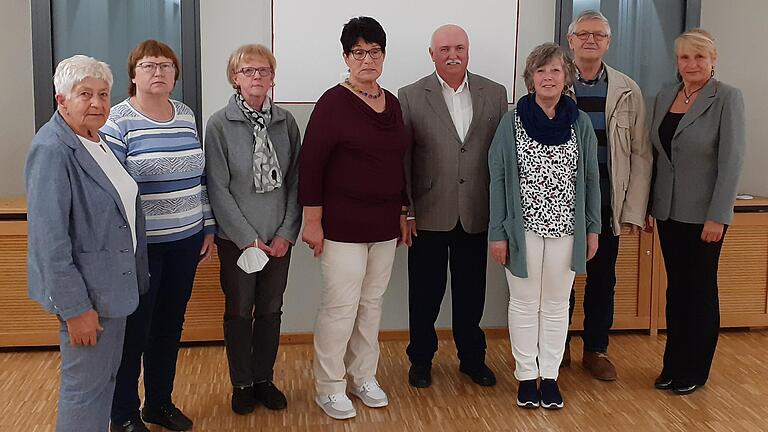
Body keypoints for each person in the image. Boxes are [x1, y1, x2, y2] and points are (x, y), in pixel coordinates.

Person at [25, 55, 149, 432]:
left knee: (104, 385)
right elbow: (50, 242)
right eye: (85, 94)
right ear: (62, 99)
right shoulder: (52, 149)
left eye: (103, 94)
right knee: (85, 390)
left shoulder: (97, 139)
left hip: (113, 289)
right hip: (88, 298)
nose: (97, 103)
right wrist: (76, 309)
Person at [298, 16, 409, 420]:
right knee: (340, 307)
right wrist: (312, 223)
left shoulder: (392, 102)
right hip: (341, 227)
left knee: (371, 305)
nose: (367, 59)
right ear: (346, 57)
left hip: (383, 226)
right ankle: (329, 387)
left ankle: (363, 377)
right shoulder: (332, 102)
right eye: (359, 52)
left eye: (374, 51)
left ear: (383, 56)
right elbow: (311, 166)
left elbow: (398, 162)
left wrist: (402, 212)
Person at [101, 40, 216, 432]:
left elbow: (198, 178)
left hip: (185, 240)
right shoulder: (117, 120)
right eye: (149, 66)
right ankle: (125, 415)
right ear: (133, 74)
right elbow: (113, 191)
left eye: (167, 66)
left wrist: (207, 226)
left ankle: (159, 404)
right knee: (135, 331)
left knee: (169, 325)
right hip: (140, 248)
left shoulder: (185, 114)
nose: (159, 72)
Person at [488, 43, 601, 410]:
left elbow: (591, 180)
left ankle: (549, 376)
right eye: (541, 71)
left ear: (566, 76)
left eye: (555, 70)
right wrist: (498, 232)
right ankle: (525, 377)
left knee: (555, 305)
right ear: (530, 78)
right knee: (523, 304)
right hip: (523, 231)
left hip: (567, 231)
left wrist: (592, 228)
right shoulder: (512, 122)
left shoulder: (579, 123)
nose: (548, 77)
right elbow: (498, 178)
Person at [398, 24, 508, 389]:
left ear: (468, 50)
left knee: (471, 292)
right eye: (444, 49)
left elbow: (501, 156)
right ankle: (421, 360)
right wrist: (407, 209)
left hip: (477, 211)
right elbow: (404, 159)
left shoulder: (495, 93)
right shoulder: (410, 95)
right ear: (431, 54)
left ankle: (472, 359)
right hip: (428, 212)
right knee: (425, 294)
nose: (452, 54)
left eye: (459, 47)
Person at [205, 44, 301, 414]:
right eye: (248, 71)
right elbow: (218, 187)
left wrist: (286, 233)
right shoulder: (219, 124)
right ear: (235, 78)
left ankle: (264, 379)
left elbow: (296, 181)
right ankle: (242, 383)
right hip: (239, 241)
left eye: (263, 71)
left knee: (272, 311)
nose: (256, 77)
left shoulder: (286, 123)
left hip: (279, 240)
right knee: (239, 312)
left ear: (273, 78)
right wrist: (249, 239)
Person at [649, 29, 745, 395]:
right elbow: (657, 156)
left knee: (701, 290)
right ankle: (672, 365)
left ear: (713, 59)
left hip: (706, 217)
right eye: (685, 58)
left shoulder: (727, 98)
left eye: (699, 57)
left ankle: (695, 369)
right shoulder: (664, 96)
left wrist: (718, 215)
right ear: (677, 62)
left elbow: (731, 161)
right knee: (676, 291)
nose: (692, 64)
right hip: (668, 212)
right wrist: (648, 206)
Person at [563, 10, 652, 380]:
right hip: (560, 204)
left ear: (608, 42)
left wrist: (633, 210)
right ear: (570, 41)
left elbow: (641, 153)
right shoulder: (553, 81)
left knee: (603, 280)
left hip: (606, 203)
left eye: (598, 35)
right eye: (582, 34)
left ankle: (596, 350)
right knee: (560, 279)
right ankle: (559, 346)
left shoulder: (627, 89)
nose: (590, 40)